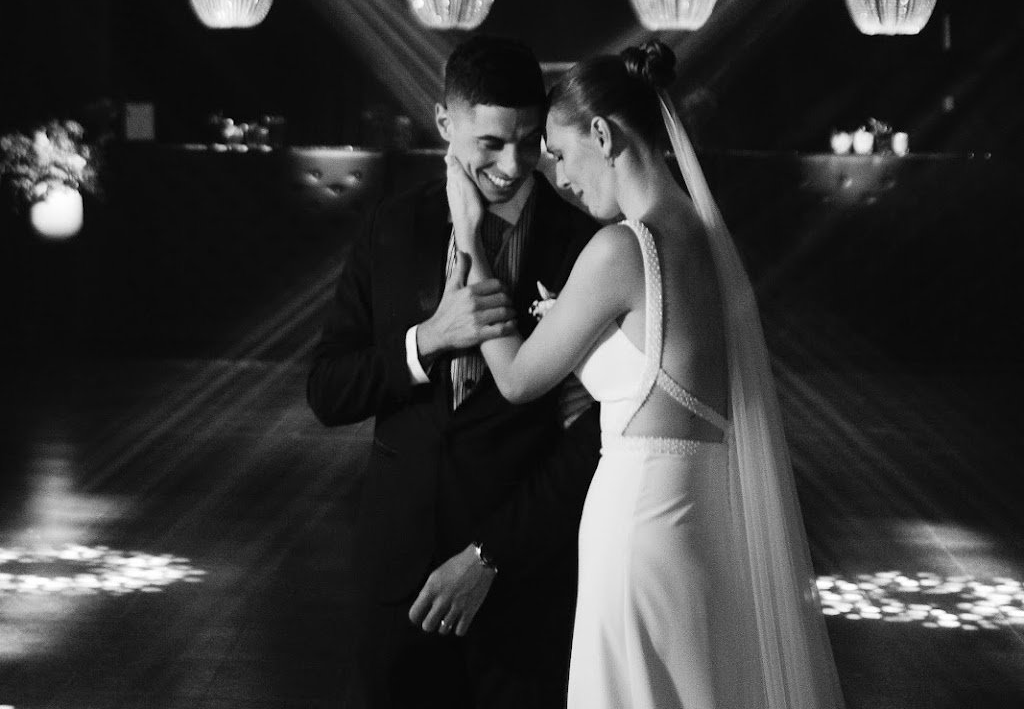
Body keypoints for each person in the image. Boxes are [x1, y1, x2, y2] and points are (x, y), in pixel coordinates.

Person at [447, 39, 846, 709]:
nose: (559, 176)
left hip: (636, 526)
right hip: (702, 521)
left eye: (559, 152)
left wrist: (470, 240)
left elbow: (516, 380)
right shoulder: (705, 239)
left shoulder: (621, 249)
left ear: (603, 135)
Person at [307, 35, 601, 709]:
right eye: (491, 144)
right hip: (397, 575)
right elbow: (326, 389)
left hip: (522, 584)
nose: (513, 165)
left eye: (528, 142)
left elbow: (594, 437)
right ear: (444, 123)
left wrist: (490, 554)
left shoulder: (582, 243)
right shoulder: (391, 228)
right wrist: (429, 339)